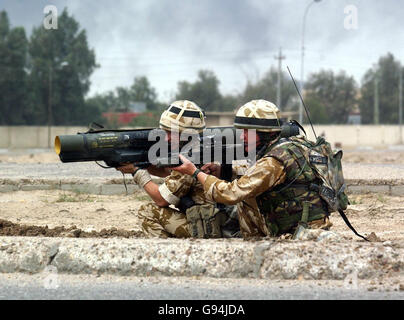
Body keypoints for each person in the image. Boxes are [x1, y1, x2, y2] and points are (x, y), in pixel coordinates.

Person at [172, 99, 332, 239]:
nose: (242, 137)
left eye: (247, 132)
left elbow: (229, 194)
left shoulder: (273, 161)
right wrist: (222, 172)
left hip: (298, 232)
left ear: (264, 133)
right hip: (310, 223)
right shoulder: (293, 146)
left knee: (245, 199)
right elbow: (259, 178)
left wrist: (195, 172)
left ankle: (253, 242)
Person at [117, 100, 239, 238]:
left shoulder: (190, 157)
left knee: (148, 211)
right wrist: (144, 164)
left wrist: (136, 171)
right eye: (165, 131)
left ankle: (170, 252)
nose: (167, 138)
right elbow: (170, 173)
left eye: (172, 133)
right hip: (217, 220)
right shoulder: (198, 147)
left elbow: (161, 199)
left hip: (208, 227)